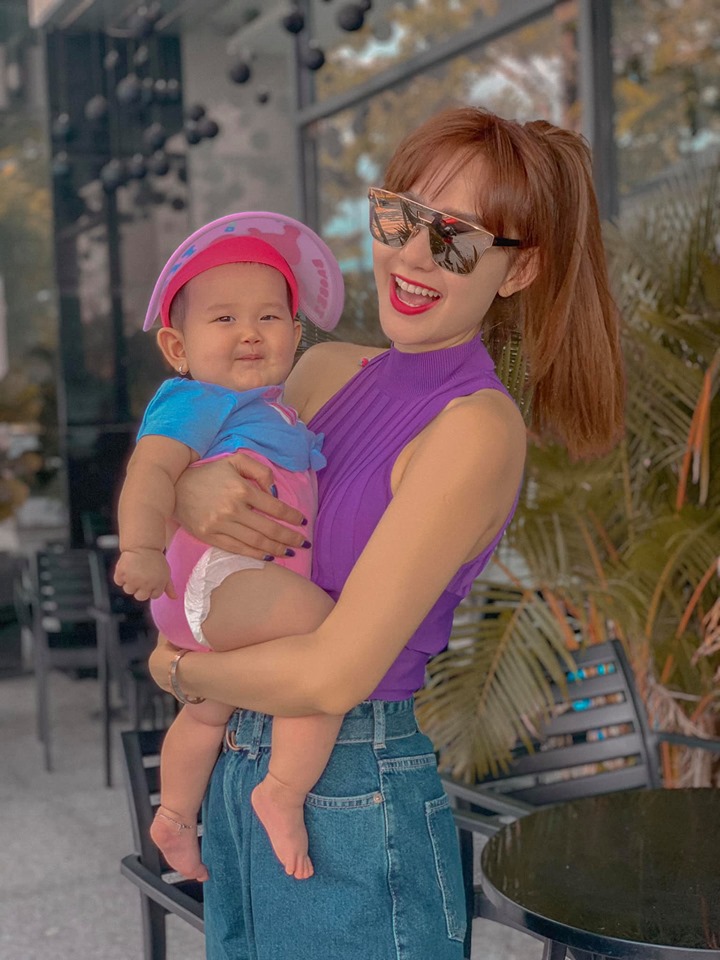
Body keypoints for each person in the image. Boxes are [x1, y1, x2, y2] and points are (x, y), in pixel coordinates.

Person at [148, 106, 625, 959]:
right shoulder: (322, 371)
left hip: (351, 789)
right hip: (238, 767)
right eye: (400, 218)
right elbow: (211, 492)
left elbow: (334, 673)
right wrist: (188, 490)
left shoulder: (475, 428)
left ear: (518, 270)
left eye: (456, 240)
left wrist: (179, 670)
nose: (412, 256)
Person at [114, 213, 346, 881]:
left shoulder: (274, 410)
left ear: (296, 336)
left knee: (206, 715)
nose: (250, 332)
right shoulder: (195, 400)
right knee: (327, 638)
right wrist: (141, 549)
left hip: (227, 591)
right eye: (223, 319)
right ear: (176, 345)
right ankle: (283, 791)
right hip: (214, 578)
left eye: (269, 317)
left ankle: (174, 815)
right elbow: (150, 473)